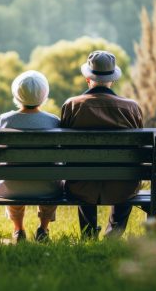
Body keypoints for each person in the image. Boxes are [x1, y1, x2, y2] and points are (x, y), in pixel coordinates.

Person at [61, 50, 143, 239]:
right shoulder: (131, 108)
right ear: (112, 80)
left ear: (87, 79)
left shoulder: (72, 105)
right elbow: (138, 151)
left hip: (81, 185)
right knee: (126, 180)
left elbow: (64, 150)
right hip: (122, 185)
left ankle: (88, 234)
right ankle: (113, 234)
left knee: (80, 172)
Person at [0, 70, 61, 243]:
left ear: (16, 94)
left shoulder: (5, 120)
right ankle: (43, 229)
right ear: (44, 95)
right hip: (47, 188)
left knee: (10, 176)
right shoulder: (53, 121)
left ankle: (18, 229)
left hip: (11, 187)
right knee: (52, 177)